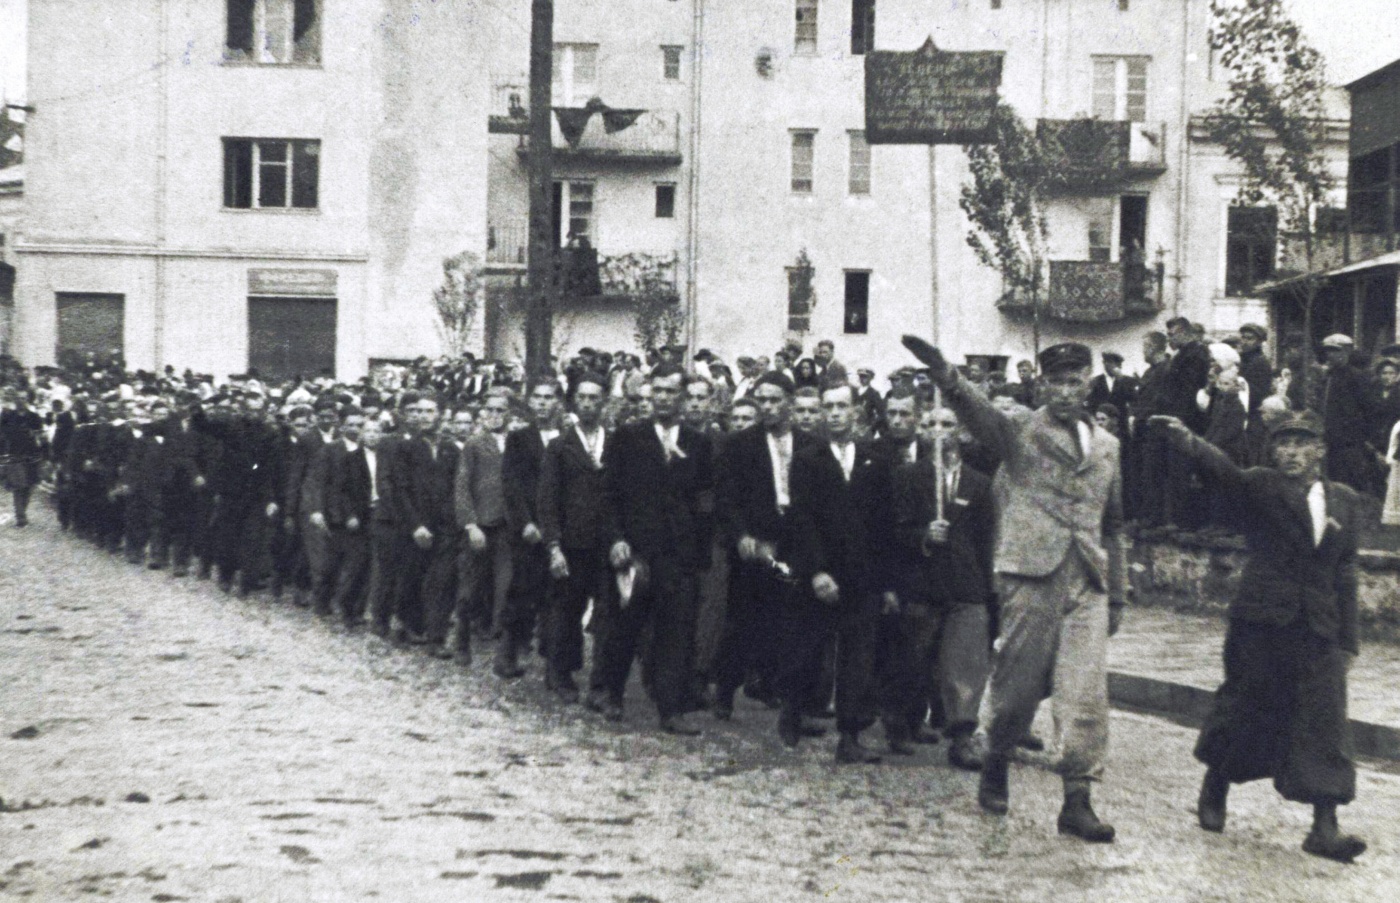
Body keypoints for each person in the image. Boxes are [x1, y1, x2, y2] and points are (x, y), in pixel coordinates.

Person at [901, 335, 1127, 844]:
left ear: (1088, 383)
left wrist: (1118, 593)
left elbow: (1114, 525)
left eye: (1075, 381)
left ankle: (1078, 797)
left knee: (1086, 691)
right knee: (1017, 688)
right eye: (1056, 382)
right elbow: (977, 411)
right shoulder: (1020, 430)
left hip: (1086, 579)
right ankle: (996, 758)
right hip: (1030, 576)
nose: (1066, 391)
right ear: (1042, 384)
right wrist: (943, 371)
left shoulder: (1110, 447)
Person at [1153, 410, 1367, 864]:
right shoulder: (1262, 485)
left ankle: (1324, 827)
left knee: (1325, 719)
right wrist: (1189, 441)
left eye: (1300, 444)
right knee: (1245, 706)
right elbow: (1225, 474)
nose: (1289, 452)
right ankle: (1216, 784)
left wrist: (1350, 639)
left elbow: (1346, 570)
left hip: (1320, 627)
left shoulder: (1344, 500)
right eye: (1282, 444)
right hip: (1262, 622)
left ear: (1320, 450)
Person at [592, 363, 714, 734]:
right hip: (635, 552)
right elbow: (608, 495)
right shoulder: (628, 438)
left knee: (676, 631)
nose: (663, 398)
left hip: (679, 556)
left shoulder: (698, 443)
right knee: (624, 626)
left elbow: (706, 500)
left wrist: (698, 550)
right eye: (657, 391)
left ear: (682, 397)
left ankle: (670, 708)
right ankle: (612, 692)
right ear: (650, 394)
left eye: (671, 392)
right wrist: (616, 539)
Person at [888, 404, 995, 770]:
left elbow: (987, 540)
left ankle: (962, 736)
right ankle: (901, 722)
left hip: (966, 585)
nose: (938, 431)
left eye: (946, 423)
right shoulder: (908, 477)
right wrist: (922, 535)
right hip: (920, 582)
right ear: (921, 431)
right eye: (930, 424)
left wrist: (989, 588)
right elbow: (892, 531)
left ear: (961, 432)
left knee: (965, 664)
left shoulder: (980, 483)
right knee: (913, 660)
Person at [538, 373, 613, 703]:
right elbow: (547, 499)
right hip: (571, 542)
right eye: (581, 397)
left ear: (604, 403)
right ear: (573, 402)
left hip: (608, 543)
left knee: (608, 612)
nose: (587, 404)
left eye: (594, 398)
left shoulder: (616, 443)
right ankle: (560, 671)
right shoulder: (559, 446)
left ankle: (602, 681)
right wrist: (553, 545)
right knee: (567, 608)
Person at [1319, 334, 1373, 494]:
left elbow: (1367, 408)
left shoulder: (1357, 376)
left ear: (1347, 351)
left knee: (1354, 483)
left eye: (1335, 350)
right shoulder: (1328, 376)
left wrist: (1360, 436)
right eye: (1328, 351)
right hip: (1331, 440)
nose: (1330, 354)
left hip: (1351, 442)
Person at [1, 388, 46, 527]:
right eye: (19, 398)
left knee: (28, 486)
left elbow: (41, 436)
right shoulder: (9, 416)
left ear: (28, 400)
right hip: (14, 455)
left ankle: (22, 512)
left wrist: (36, 437)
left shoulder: (34, 416)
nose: (21, 401)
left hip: (31, 455)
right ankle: (21, 517)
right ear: (15, 400)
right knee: (18, 486)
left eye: (24, 398)